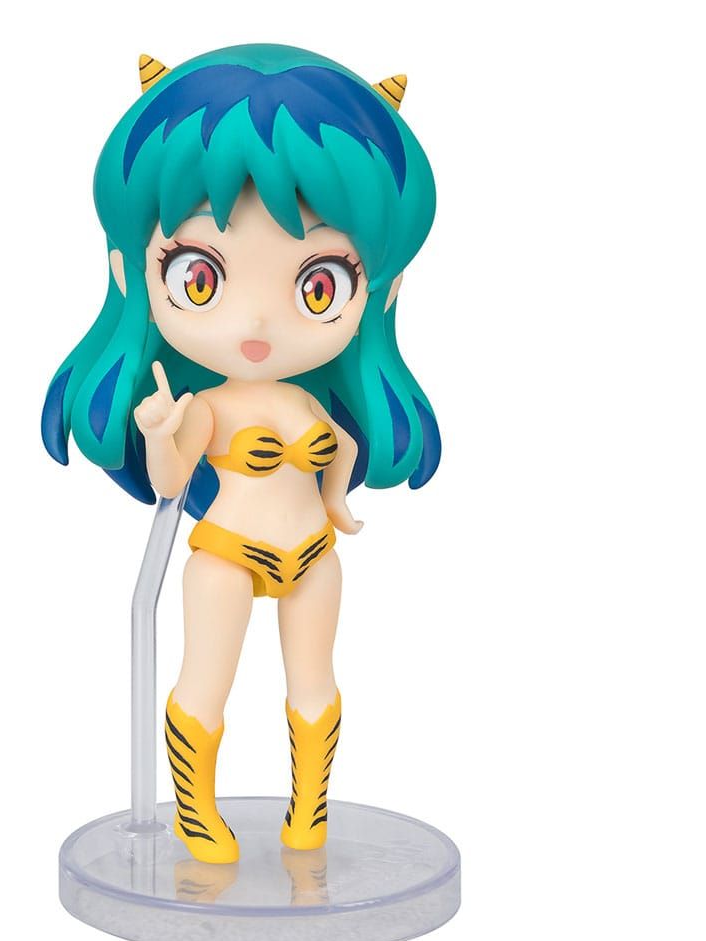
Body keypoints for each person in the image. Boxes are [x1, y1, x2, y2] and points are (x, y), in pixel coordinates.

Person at [42, 44, 440, 863]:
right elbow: (170, 483)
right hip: (225, 552)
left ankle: (309, 813)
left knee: (315, 681)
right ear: (131, 271)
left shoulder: (308, 401)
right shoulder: (208, 407)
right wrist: (163, 433)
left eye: (318, 285)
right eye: (200, 278)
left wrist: (337, 500)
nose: (256, 325)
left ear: (382, 289)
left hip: (312, 552)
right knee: (206, 678)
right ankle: (195, 814)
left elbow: (340, 450)